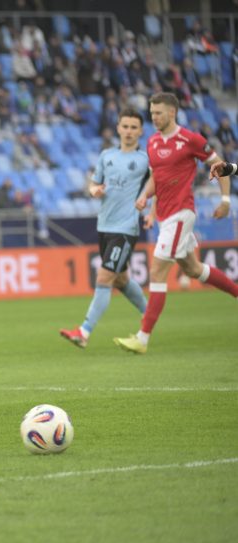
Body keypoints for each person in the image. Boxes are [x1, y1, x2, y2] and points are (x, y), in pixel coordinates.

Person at [114, 92, 238, 354]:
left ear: (172, 112)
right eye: (152, 113)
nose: (154, 117)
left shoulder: (191, 140)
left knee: (157, 271)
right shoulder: (152, 142)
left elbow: (220, 166)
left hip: (181, 213)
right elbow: (156, 178)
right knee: (193, 269)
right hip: (165, 216)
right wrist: (144, 197)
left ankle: (142, 338)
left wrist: (225, 200)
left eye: (158, 113)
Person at [60, 109, 150, 348]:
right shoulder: (106, 155)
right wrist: (94, 191)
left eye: (133, 127)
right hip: (104, 225)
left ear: (140, 131)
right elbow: (93, 184)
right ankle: (150, 314)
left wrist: (153, 210)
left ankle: (83, 332)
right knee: (121, 280)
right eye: (125, 126)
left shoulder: (145, 160)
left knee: (104, 277)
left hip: (126, 228)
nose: (129, 131)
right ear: (118, 128)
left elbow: (158, 185)